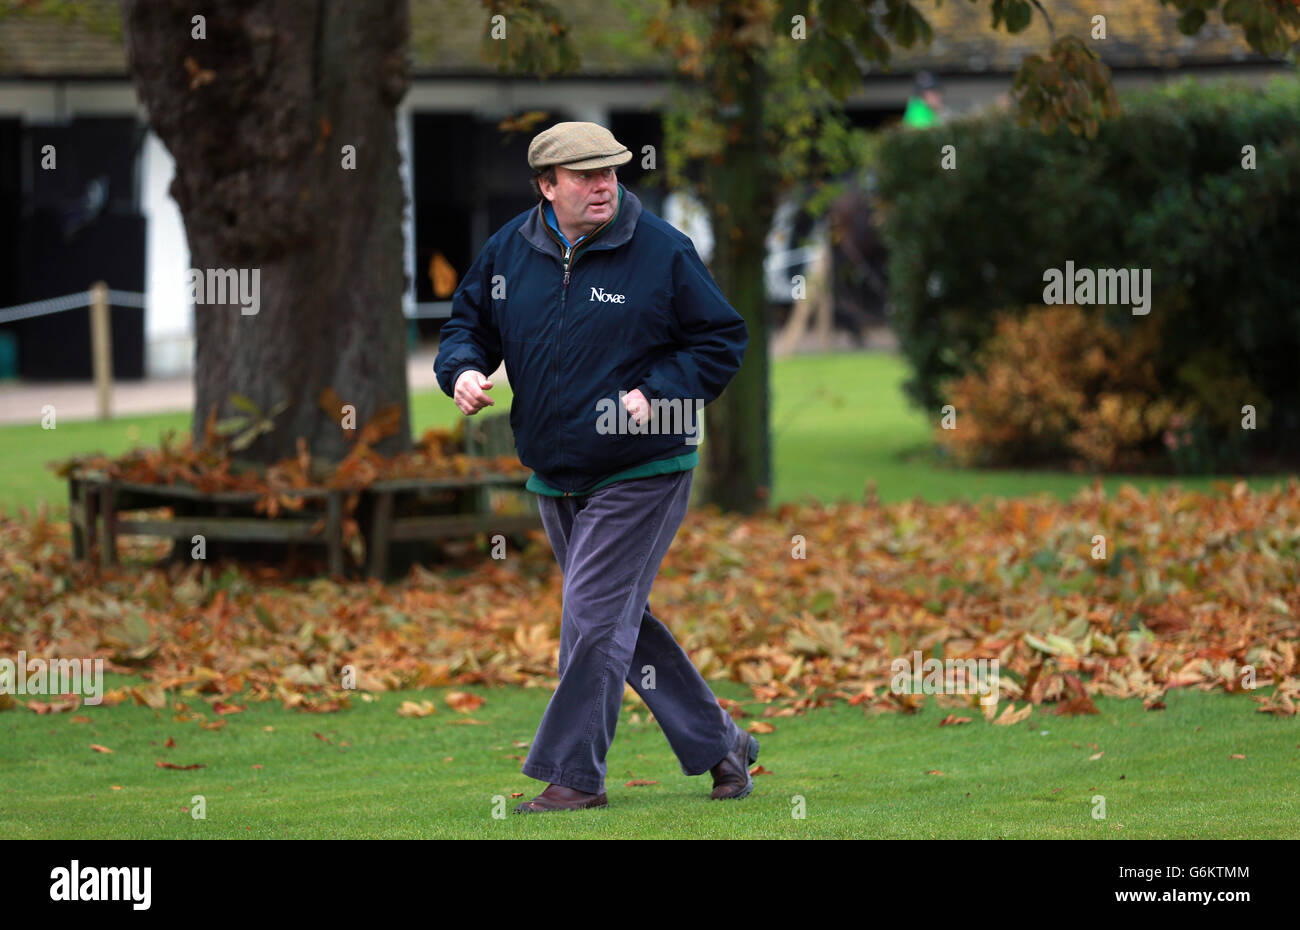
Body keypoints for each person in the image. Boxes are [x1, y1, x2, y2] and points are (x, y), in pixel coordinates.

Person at [434, 121, 757, 813]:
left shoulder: (662, 250)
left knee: (589, 614)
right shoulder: (508, 251)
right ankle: (721, 744)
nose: (603, 184)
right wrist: (461, 370)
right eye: (585, 175)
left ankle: (576, 777)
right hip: (556, 469)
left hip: (645, 462)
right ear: (547, 186)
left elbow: (722, 336)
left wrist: (659, 392)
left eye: (610, 170)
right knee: (618, 621)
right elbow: (467, 325)